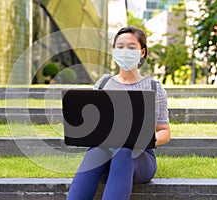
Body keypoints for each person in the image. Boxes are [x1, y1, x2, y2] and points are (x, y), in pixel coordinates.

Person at [67, 26, 171, 200]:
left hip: (139, 157)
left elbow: (165, 132)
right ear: (114, 51)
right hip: (104, 154)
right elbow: (91, 126)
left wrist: (146, 139)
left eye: (131, 47)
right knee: (96, 152)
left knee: (124, 151)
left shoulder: (154, 88)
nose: (125, 51)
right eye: (120, 46)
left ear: (142, 52)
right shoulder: (103, 84)